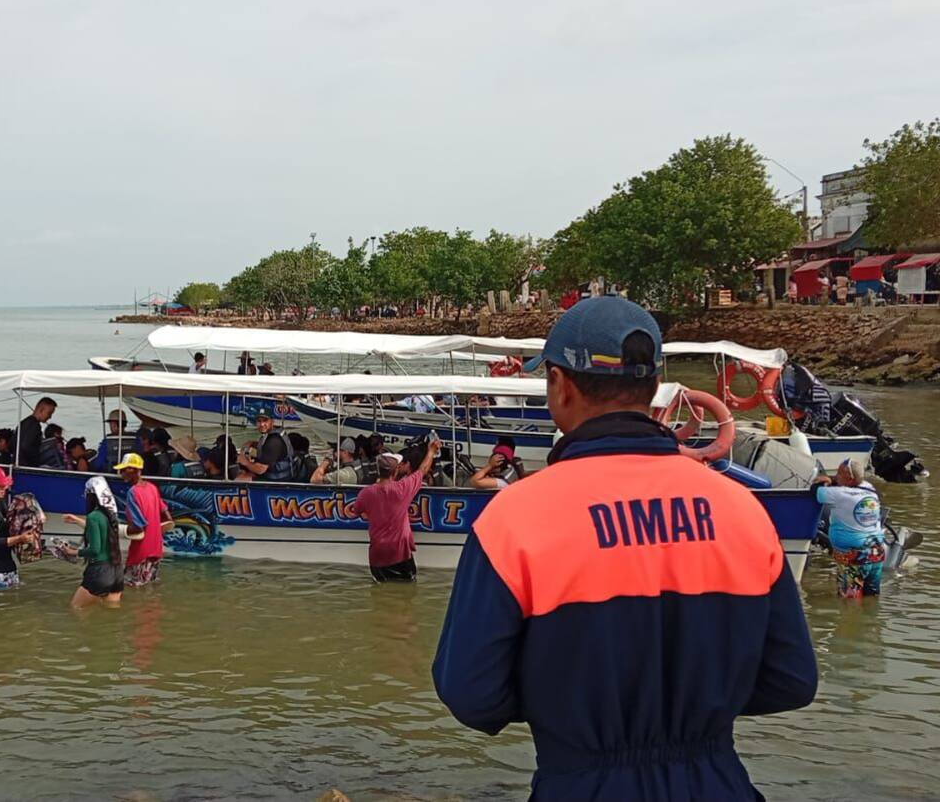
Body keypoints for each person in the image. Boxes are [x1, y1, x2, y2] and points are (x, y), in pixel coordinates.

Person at [432, 296, 817, 800]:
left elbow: (471, 694)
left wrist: (569, 705)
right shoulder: (743, 511)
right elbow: (791, 681)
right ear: (654, 386)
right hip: (718, 780)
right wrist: (692, 712)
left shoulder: (514, 519)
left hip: (581, 782)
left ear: (560, 385)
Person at [352, 440, 440, 582]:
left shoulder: (365, 493)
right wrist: (431, 451)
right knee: (406, 595)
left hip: (377, 555)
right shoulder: (402, 488)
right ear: (395, 470)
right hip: (400, 554)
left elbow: (357, 512)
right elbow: (422, 470)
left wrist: (374, 514)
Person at [814, 458, 886, 598]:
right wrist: (833, 479)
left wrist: (824, 480)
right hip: (876, 552)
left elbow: (815, 491)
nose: (836, 476)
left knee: (849, 602)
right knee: (871, 597)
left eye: (839, 473)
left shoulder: (839, 494)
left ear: (850, 479)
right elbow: (845, 483)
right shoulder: (869, 487)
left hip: (853, 557)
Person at [61, 476, 124, 608]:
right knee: (111, 615)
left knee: (76, 608)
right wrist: (77, 520)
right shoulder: (111, 515)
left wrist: (72, 552)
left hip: (99, 572)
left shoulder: (93, 516)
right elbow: (104, 533)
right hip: (116, 571)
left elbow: (95, 550)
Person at [114, 453, 174, 586]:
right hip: (156, 550)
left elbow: (138, 527)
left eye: (123, 470)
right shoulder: (152, 488)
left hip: (141, 552)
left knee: (130, 590)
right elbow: (167, 516)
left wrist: (116, 530)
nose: (121, 473)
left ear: (132, 470)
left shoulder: (133, 492)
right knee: (148, 588)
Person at [236, 407, 294, 481]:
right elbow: (265, 447)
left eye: (265, 421)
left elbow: (260, 470)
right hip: (274, 473)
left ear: (272, 422)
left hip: (277, 479)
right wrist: (252, 443)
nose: (262, 424)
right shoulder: (271, 435)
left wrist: (245, 462)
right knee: (243, 471)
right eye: (259, 421)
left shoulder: (274, 442)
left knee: (239, 479)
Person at [17, 397, 57, 467]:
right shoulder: (35, 426)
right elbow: (26, 446)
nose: (50, 417)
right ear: (41, 409)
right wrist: (36, 459)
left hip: (18, 463)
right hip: (28, 466)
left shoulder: (23, 422)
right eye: (49, 413)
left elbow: (11, 445)